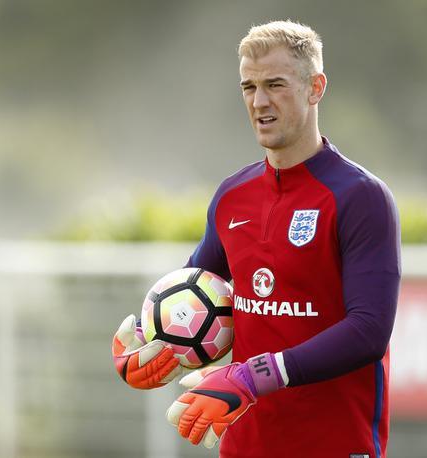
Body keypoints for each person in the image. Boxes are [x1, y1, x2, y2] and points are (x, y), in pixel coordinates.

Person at [112, 20, 401, 458]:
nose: (259, 101)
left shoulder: (361, 197)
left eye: (275, 84)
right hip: (244, 447)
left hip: (336, 446)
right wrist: (149, 348)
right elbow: (191, 302)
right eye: (248, 86)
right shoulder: (233, 196)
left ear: (315, 88)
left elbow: (368, 331)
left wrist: (253, 377)